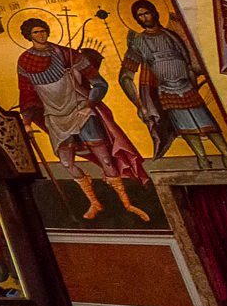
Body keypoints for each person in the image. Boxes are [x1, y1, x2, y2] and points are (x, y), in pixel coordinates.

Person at [16, 17, 149, 220]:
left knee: (104, 157)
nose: (41, 35)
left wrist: (90, 102)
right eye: (36, 32)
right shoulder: (24, 61)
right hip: (55, 117)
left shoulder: (67, 55)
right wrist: (25, 123)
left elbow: (99, 83)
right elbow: (27, 95)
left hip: (82, 111)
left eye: (43, 30)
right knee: (66, 162)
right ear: (28, 36)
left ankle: (127, 203)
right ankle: (94, 203)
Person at [120, 0, 227, 163]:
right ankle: (202, 159)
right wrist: (139, 104)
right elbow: (125, 76)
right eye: (140, 16)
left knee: (208, 124)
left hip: (187, 87)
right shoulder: (138, 42)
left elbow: (188, 61)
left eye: (146, 13)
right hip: (166, 91)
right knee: (186, 128)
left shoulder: (172, 36)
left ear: (155, 13)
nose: (144, 18)